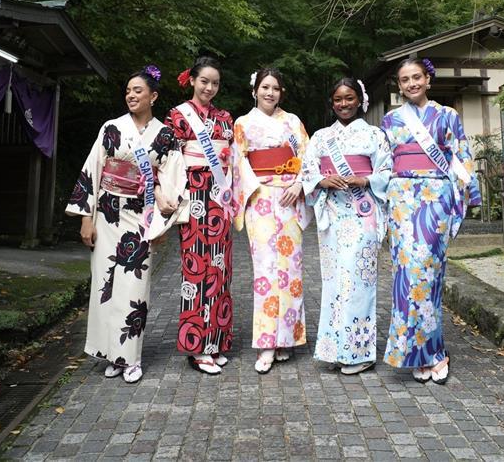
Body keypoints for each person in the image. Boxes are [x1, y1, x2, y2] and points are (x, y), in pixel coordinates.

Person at [66, 65, 185, 384]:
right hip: (107, 213)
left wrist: (162, 223)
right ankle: (110, 354)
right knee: (105, 284)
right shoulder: (111, 128)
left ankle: (130, 357)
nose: (131, 95)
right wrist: (86, 218)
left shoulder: (165, 136)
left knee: (134, 287)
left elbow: (174, 179)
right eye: (129, 91)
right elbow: (93, 170)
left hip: (141, 216)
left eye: (138, 91)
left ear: (153, 96)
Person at [381, 57, 480, 384]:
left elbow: (461, 156)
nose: (411, 83)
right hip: (401, 199)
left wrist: (466, 193)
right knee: (405, 275)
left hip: (435, 198)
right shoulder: (391, 120)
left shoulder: (447, 115)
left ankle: (434, 352)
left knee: (428, 273)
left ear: (428, 79)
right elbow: (383, 163)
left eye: (416, 77)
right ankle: (413, 354)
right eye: (405, 79)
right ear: (399, 85)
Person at [299, 77, 391, 375]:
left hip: (363, 213)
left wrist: (364, 179)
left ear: (359, 100)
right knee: (334, 282)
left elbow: (387, 171)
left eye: (349, 98)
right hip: (333, 215)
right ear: (332, 102)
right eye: (338, 99)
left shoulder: (374, 135)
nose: (343, 104)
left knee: (360, 281)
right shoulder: (321, 137)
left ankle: (359, 351)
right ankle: (334, 349)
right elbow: (307, 171)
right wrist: (323, 181)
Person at [232, 68, 311, 374]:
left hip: (289, 197)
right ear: (255, 90)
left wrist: (298, 183)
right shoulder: (243, 123)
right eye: (265, 87)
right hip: (260, 198)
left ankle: (287, 339)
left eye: (275, 88)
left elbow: (308, 156)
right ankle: (267, 342)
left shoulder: (292, 122)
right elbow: (238, 162)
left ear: (281, 93)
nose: (270, 92)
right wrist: (258, 189)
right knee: (265, 269)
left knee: (291, 270)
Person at [164, 56, 237, 375]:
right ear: (192, 80)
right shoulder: (178, 115)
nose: (209, 87)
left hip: (220, 197)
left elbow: (233, 159)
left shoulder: (225, 118)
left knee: (220, 269)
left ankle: (216, 342)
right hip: (193, 195)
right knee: (196, 269)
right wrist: (169, 195)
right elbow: (169, 159)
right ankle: (197, 347)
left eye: (215, 83)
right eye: (204, 81)